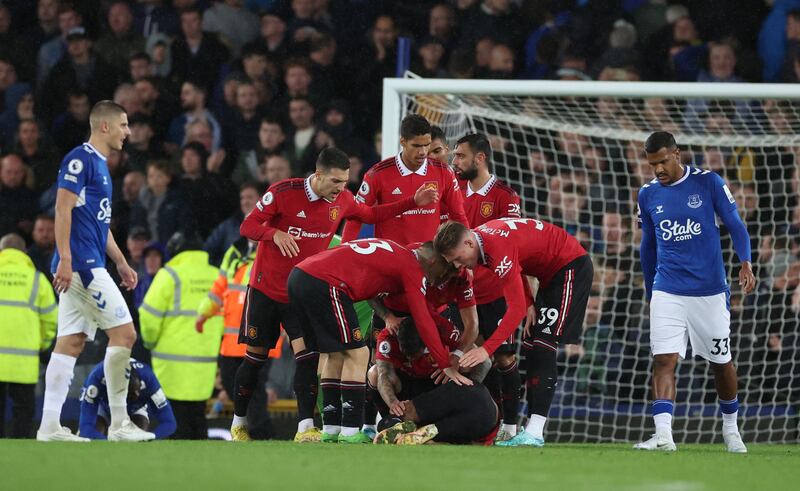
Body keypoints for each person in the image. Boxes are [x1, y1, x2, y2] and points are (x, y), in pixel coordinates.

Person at [234, 147, 438, 442]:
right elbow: (247, 225)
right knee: (256, 358)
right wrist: (273, 234)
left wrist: (411, 202)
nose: (341, 189)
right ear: (318, 175)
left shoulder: (342, 200)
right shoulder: (283, 191)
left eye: (344, 182)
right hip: (266, 289)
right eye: (335, 182)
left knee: (307, 356)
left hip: (300, 293)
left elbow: (371, 213)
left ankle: (305, 427)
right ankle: (239, 422)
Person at [37, 100, 155, 442]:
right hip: (82, 266)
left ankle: (48, 426)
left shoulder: (101, 166)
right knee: (125, 334)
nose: (128, 131)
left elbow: (100, 225)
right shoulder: (80, 159)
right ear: (104, 126)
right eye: (123, 124)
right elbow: (62, 209)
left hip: (90, 261)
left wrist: (120, 261)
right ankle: (119, 423)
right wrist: (66, 259)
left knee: (70, 342)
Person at [635, 131, 755, 453]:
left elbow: (735, 224)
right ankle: (663, 435)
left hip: (709, 291)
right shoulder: (647, 194)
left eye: (662, 161)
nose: (657, 169)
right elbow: (648, 246)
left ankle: (731, 429)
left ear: (677, 153)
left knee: (721, 362)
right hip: (668, 288)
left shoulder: (708, 182)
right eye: (652, 164)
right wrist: (651, 290)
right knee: (663, 359)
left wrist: (746, 262)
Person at [288, 237, 473, 444]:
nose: (437, 280)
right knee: (358, 353)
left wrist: (386, 317)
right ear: (432, 262)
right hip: (327, 283)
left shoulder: (393, 249)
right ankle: (349, 432)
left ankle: (331, 429)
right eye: (441, 272)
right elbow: (423, 321)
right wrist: (444, 362)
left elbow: (368, 282)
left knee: (336, 354)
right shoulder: (413, 268)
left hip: (299, 276)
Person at [434, 217, 592, 447]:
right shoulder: (483, 243)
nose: (458, 266)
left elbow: (514, 309)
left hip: (569, 266)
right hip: (547, 276)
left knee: (543, 346)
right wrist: (528, 301)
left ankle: (535, 431)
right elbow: (517, 266)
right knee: (530, 346)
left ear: (468, 243)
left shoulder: (496, 247)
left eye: (458, 259)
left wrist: (486, 350)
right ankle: (522, 429)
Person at [449, 133, 524, 442]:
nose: (455, 162)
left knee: (503, 357)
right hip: (460, 292)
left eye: (460, 156)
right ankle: (471, 424)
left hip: (494, 292)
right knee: (456, 355)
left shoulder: (506, 197)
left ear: (479, 158)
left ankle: (509, 427)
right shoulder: (453, 193)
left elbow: (513, 244)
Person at [196, 237, 282, 440]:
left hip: (260, 336)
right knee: (231, 383)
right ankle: (250, 429)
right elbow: (219, 288)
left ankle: (260, 432)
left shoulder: (273, 252)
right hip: (232, 340)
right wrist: (204, 313)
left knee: (255, 388)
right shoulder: (235, 254)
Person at [139, 231, 222, 439]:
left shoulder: (169, 274)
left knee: (175, 426)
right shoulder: (217, 275)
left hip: (171, 366)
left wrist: (149, 342)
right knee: (198, 422)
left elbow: (148, 317)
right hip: (205, 364)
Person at [341, 114, 468, 243]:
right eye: (416, 146)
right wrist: (343, 253)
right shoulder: (377, 174)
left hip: (429, 259)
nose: (423, 152)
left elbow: (459, 217)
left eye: (426, 145)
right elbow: (356, 218)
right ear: (403, 142)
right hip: (391, 258)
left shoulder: (444, 172)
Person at [0, 233, 57, 438]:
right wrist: (43, 343)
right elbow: (51, 319)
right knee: (23, 411)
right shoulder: (37, 280)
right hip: (24, 361)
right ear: (24, 253)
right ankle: (20, 448)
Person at [78, 358, 176, 440]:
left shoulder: (149, 381)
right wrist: (108, 442)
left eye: (130, 398)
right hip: (103, 405)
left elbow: (169, 422)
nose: (125, 403)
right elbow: (86, 427)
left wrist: (149, 437)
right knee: (95, 431)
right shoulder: (97, 379)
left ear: (140, 386)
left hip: (135, 410)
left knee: (139, 429)